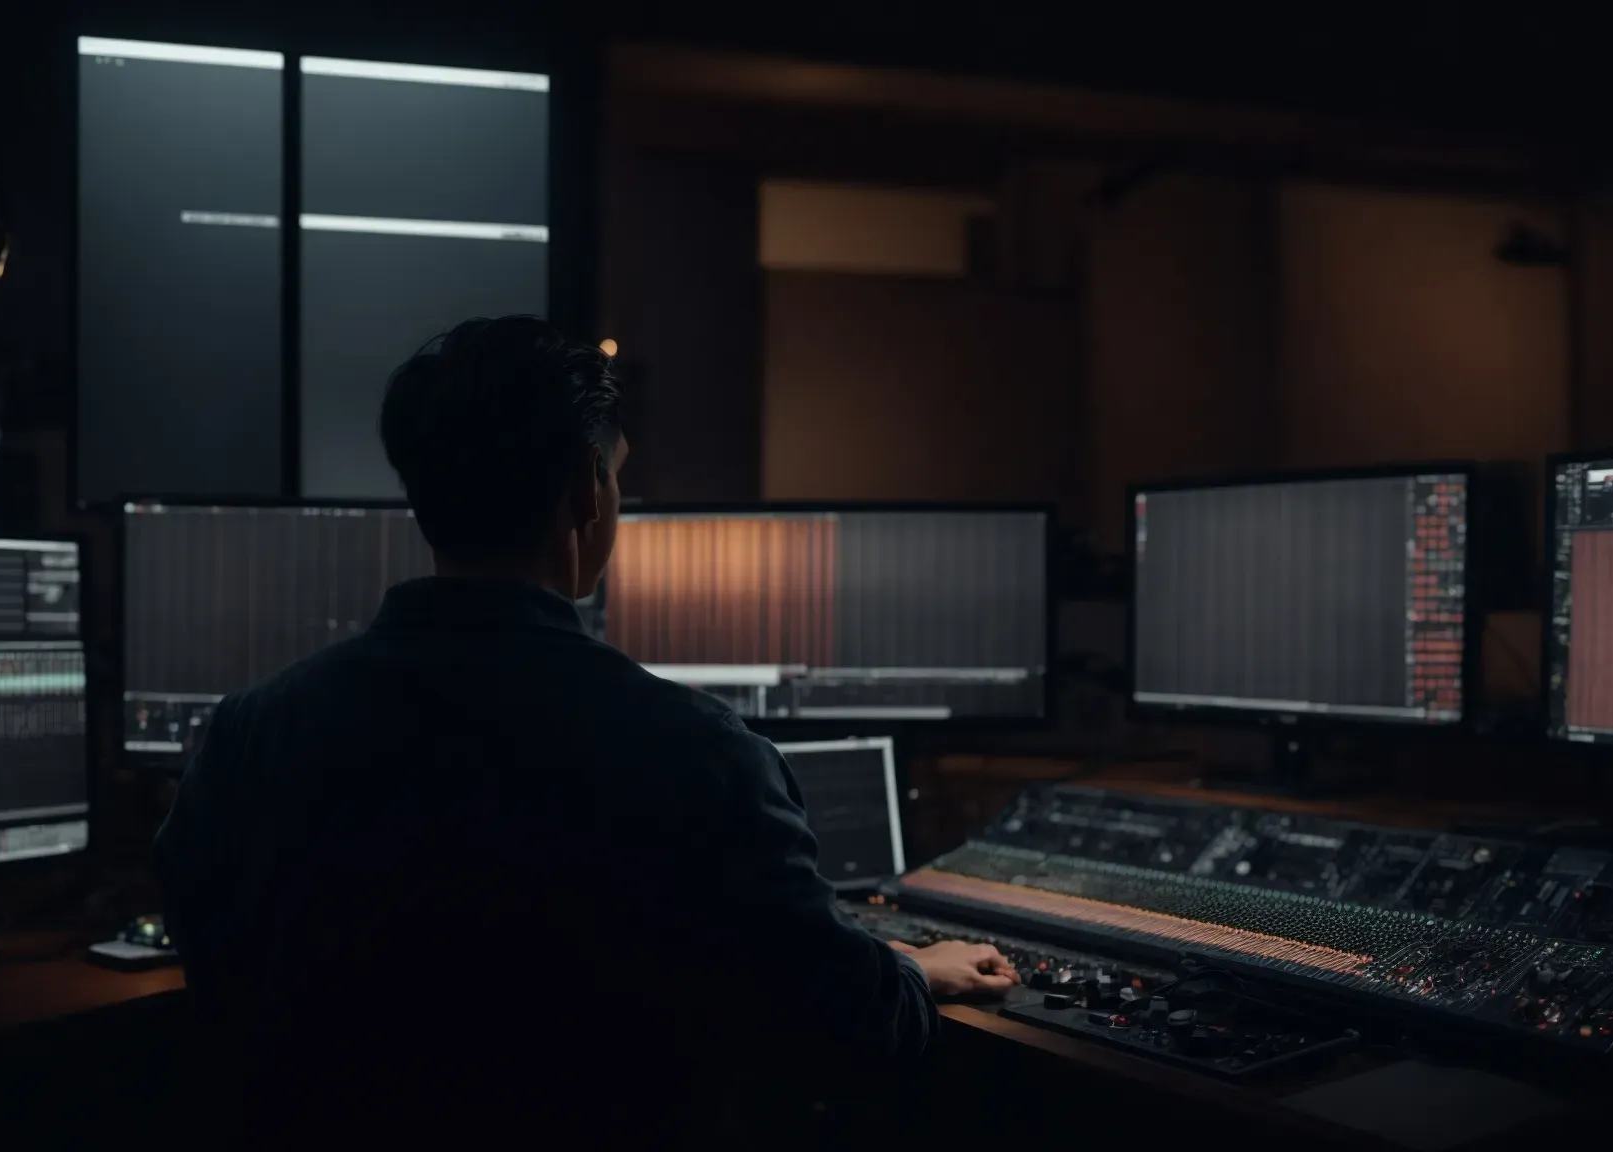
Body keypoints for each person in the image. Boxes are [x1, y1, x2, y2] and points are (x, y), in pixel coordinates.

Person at [154, 316, 1017, 1143]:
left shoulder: (251, 734)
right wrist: (906, 968)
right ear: (584, 493)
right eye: (616, 478)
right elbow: (843, 1026)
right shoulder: (699, 755)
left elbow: (214, 968)